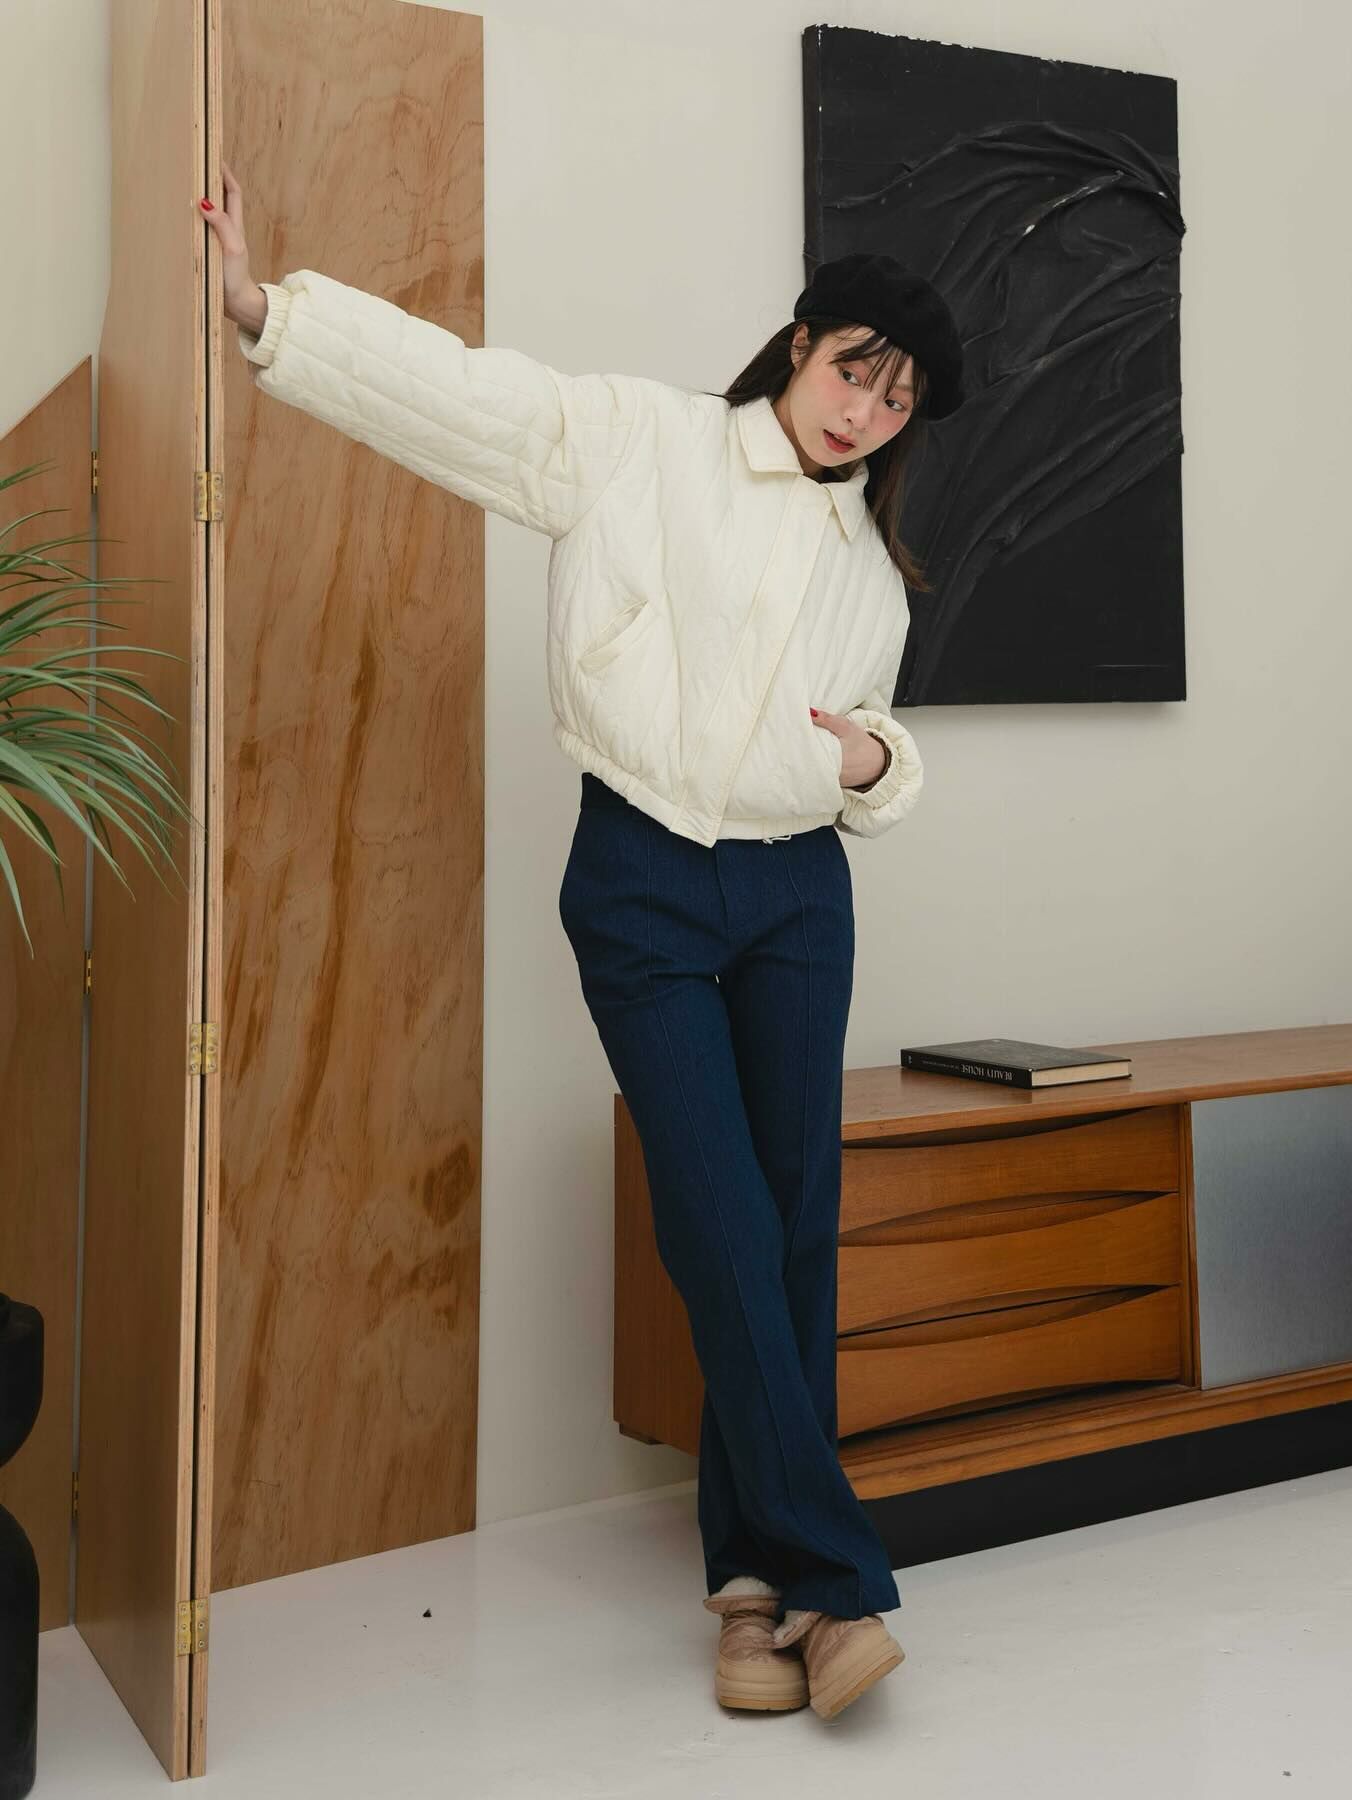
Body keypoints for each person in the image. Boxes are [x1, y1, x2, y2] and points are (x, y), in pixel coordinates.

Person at [201, 161, 964, 1722]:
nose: (866, 414)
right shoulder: (642, 441)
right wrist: (270, 314)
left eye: (898, 403)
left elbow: (878, 740)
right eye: (854, 372)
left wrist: (873, 762)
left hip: (799, 897)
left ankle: (750, 1594)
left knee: (793, 1230)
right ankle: (835, 1581)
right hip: (641, 879)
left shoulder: (868, 569)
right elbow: (460, 398)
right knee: (718, 1226)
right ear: (801, 343)